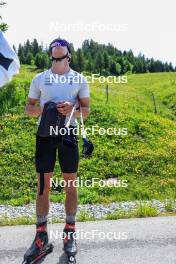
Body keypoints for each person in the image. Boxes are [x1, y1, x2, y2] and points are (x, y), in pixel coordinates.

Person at [23, 38, 90, 263]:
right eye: (54, 57)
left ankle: (69, 232)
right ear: (50, 56)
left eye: (61, 57)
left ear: (69, 56)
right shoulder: (39, 78)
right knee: (43, 186)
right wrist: (45, 108)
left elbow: (86, 110)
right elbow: (28, 108)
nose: (57, 61)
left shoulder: (79, 78)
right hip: (44, 136)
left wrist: (74, 107)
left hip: (68, 134)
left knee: (70, 185)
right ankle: (41, 237)